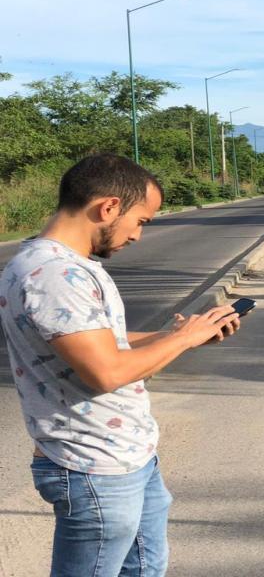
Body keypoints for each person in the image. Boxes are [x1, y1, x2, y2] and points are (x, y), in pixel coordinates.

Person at [0, 154, 242, 576]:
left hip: (126, 456)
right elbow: (106, 372)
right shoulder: (53, 274)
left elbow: (100, 340)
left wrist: (178, 335)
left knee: (146, 567)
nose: (137, 235)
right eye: (141, 221)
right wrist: (183, 339)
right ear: (109, 207)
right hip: (94, 467)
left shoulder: (67, 266)